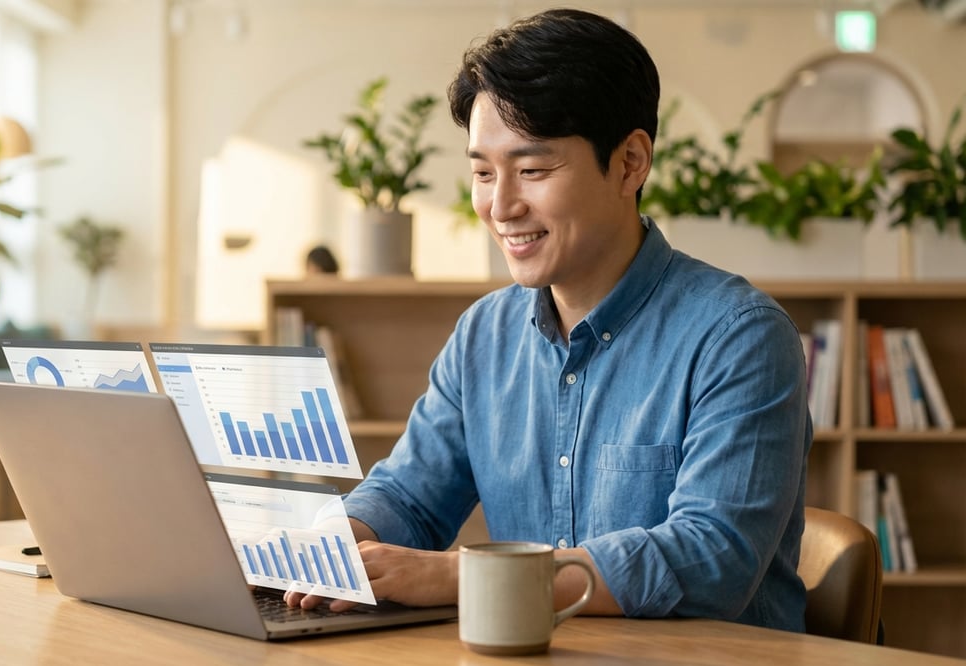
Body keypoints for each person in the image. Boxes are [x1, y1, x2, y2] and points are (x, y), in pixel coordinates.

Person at [285, 8, 811, 632]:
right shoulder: (484, 335)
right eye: (483, 172)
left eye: (532, 170)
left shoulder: (739, 337)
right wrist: (333, 543)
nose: (500, 206)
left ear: (629, 163)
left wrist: (460, 576)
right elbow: (410, 495)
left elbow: (710, 559)